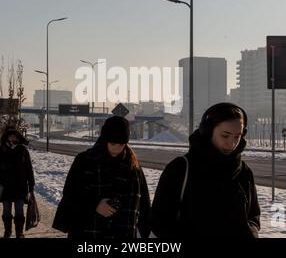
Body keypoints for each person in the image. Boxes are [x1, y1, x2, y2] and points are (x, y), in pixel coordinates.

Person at [150, 102, 260, 238]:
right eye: (225, 136)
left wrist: (251, 232)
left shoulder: (244, 172)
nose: (231, 143)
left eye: (237, 137)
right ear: (208, 132)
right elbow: (159, 221)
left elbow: (253, 215)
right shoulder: (181, 168)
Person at [53, 116, 151, 239]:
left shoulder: (133, 167)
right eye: (113, 143)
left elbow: (144, 205)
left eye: (121, 144)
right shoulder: (84, 160)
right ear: (104, 140)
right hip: (87, 233)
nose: (116, 148)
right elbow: (70, 194)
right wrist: (95, 205)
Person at [0, 129, 35, 238]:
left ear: (18, 137)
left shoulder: (23, 150)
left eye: (15, 136)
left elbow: (29, 168)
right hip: (5, 186)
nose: (13, 138)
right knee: (6, 210)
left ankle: (19, 232)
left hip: (20, 186)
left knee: (19, 210)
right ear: (6, 137)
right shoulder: (1, 149)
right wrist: (3, 166)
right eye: (10, 136)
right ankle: (8, 231)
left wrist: (31, 184)